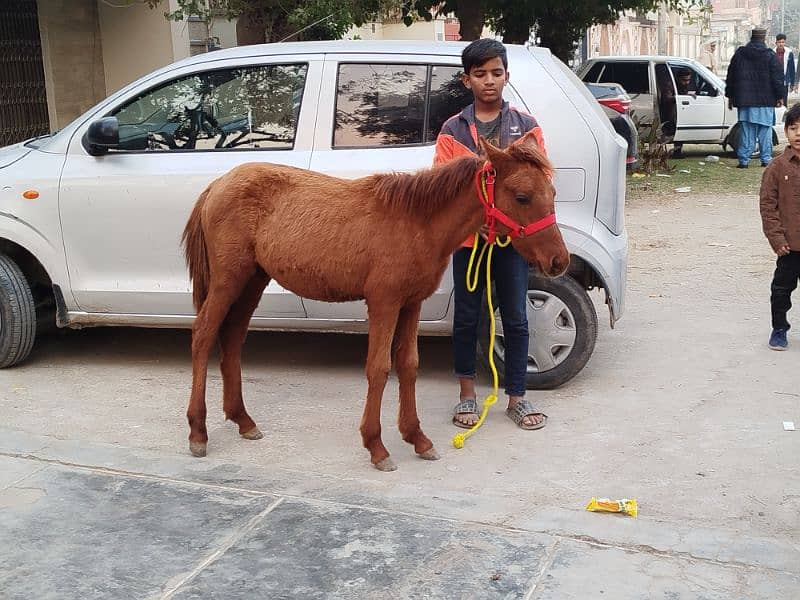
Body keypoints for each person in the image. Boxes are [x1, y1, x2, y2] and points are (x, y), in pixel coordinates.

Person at [434, 38, 547, 431]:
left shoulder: (527, 129)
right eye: (480, 74)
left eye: (496, 73)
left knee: (515, 316)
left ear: (506, 76)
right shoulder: (452, 131)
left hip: (512, 241)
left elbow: (538, 182)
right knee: (467, 315)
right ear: (467, 80)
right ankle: (467, 394)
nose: (489, 81)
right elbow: (443, 189)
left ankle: (517, 396)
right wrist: (475, 220)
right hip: (469, 242)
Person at [759, 103, 800, 350]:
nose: (799, 134)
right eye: (793, 128)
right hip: (788, 246)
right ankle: (779, 328)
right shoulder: (776, 167)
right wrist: (776, 239)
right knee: (781, 291)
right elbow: (768, 207)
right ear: (785, 131)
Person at [725, 28, 785, 168]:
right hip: (765, 101)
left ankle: (744, 161)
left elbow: (731, 76)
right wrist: (780, 96)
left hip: (745, 101)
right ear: (764, 38)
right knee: (765, 131)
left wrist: (730, 96)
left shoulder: (740, 54)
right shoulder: (770, 55)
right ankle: (765, 160)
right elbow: (777, 79)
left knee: (746, 131)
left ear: (751, 38)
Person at [669, 67, 696, 158]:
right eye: (684, 80)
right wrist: (682, 97)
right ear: (678, 78)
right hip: (670, 112)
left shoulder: (683, 86)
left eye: (688, 80)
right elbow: (666, 98)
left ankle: (677, 151)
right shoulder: (671, 85)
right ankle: (676, 152)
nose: (687, 82)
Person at [775, 33, 796, 107]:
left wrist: (793, 83)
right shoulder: (772, 53)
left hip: (784, 82)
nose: (781, 44)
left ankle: (784, 117)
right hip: (774, 82)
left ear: (785, 42)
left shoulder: (789, 53)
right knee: (775, 102)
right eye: (779, 42)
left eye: (783, 42)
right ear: (776, 43)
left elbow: (792, 69)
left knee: (784, 102)